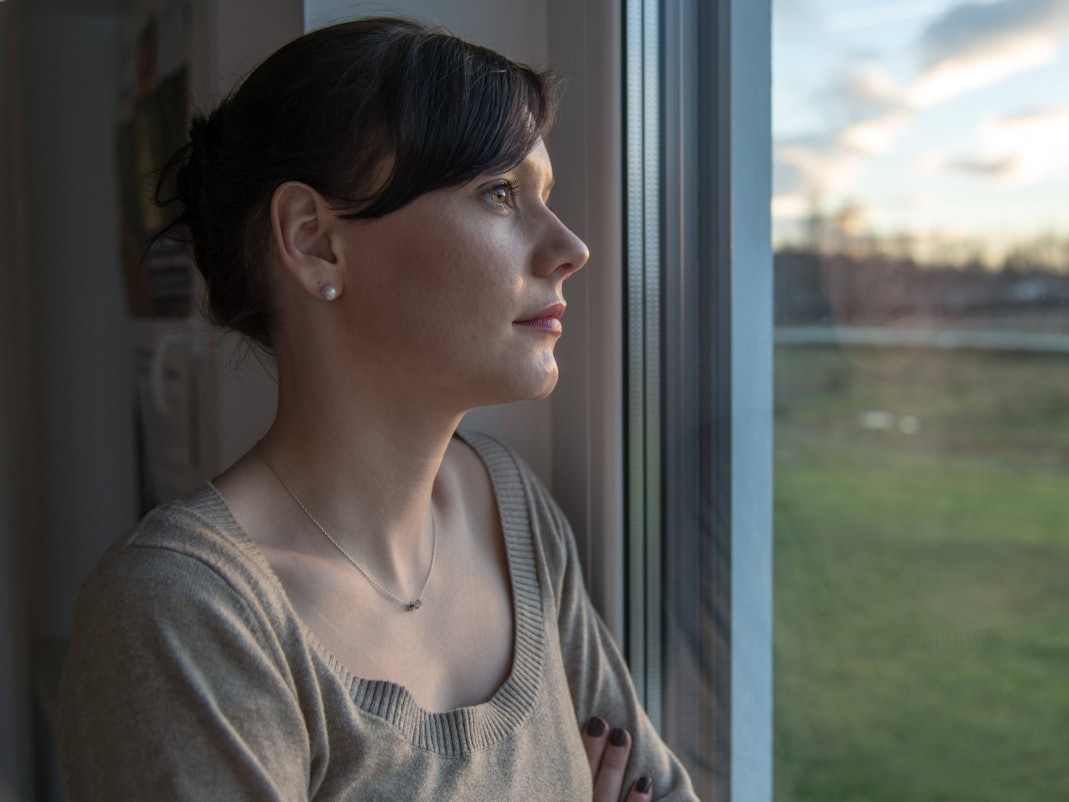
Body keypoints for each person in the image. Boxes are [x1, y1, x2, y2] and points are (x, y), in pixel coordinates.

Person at [58, 17, 698, 801]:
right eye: (499, 193)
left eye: (544, 195)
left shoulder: (509, 510)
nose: (570, 248)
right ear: (314, 241)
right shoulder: (186, 615)